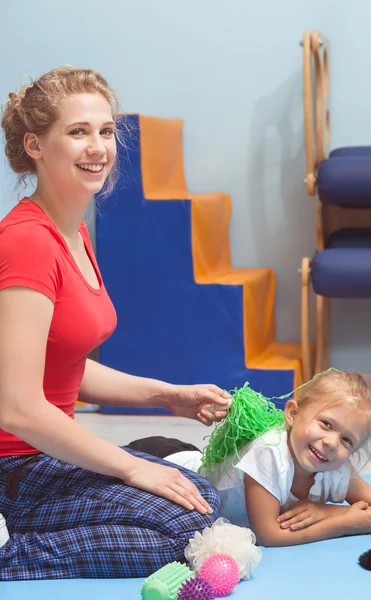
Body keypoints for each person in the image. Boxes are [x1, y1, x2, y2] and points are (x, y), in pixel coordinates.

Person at [0, 66, 231, 580]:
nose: (98, 147)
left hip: (43, 455)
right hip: (14, 466)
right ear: (35, 145)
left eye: (105, 131)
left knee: (201, 499)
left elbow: (63, 366)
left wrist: (166, 395)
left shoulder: (73, 232)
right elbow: (16, 407)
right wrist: (129, 466)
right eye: (78, 132)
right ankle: (14, 554)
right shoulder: (27, 242)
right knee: (182, 528)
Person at [132, 370, 371, 546]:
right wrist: (342, 522)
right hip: (167, 464)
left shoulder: (337, 465)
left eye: (347, 440)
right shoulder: (270, 452)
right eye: (326, 424)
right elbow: (268, 535)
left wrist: (325, 510)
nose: (331, 443)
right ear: (292, 414)